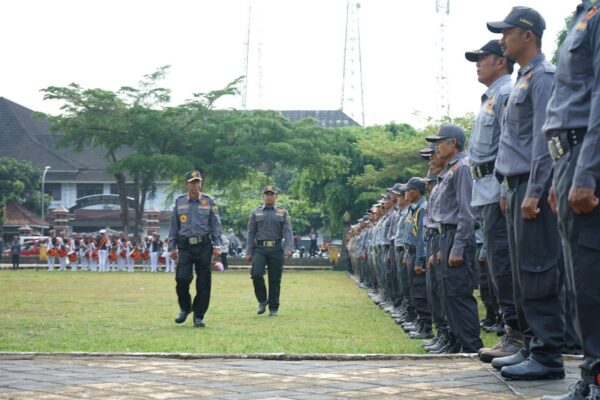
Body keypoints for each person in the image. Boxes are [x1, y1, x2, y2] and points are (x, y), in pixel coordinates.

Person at [487, 7, 567, 381]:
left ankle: (548, 355)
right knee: (522, 275)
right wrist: (508, 186)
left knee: (538, 271)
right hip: (516, 186)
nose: (502, 39)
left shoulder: (543, 77)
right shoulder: (522, 79)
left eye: (507, 32)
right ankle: (531, 346)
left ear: (527, 35)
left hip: (532, 187)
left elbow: (542, 138)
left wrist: (535, 190)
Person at [541, 2, 600, 398]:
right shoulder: (585, 13)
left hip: (584, 155)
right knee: (579, 278)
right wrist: (555, 174)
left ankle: (595, 380)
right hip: (567, 157)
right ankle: (590, 375)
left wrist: (587, 170)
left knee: (591, 277)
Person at [464, 39, 522, 363]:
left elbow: (509, 144)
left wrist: (503, 188)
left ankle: (517, 335)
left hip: (497, 192)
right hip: (484, 193)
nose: (477, 63)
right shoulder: (490, 97)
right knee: (500, 267)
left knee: (504, 265)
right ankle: (509, 333)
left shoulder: (505, 94)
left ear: (500, 61)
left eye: (482, 57)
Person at [427, 124, 483, 354]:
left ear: (452, 143)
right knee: (447, 293)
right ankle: (457, 342)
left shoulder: (462, 168)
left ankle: (471, 346)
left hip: (456, 236)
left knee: (458, 294)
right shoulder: (449, 170)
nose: (436, 147)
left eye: (440, 142)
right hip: (445, 235)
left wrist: (458, 246)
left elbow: (467, 213)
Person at [168, 170, 222, 328]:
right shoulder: (179, 202)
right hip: (185, 246)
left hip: (204, 245)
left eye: (198, 182)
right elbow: (174, 226)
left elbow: (215, 224)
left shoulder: (208, 201)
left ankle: (199, 315)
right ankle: (185, 308)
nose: (196, 185)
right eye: (193, 182)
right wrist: (172, 246)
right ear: (187, 184)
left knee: (204, 282)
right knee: (182, 279)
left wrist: (217, 244)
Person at [245, 185, 293, 317]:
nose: (269, 196)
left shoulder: (282, 212)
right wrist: (249, 251)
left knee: (275, 279)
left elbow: (287, 231)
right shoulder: (256, 212)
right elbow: (250, 232)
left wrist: (289, 248)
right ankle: (262, 300)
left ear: (276, 197)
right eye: (267, 194)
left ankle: (273, 307)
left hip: (277, 248)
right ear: (263, 196)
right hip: (260, 248)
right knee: (256, 274)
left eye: (272, 194)